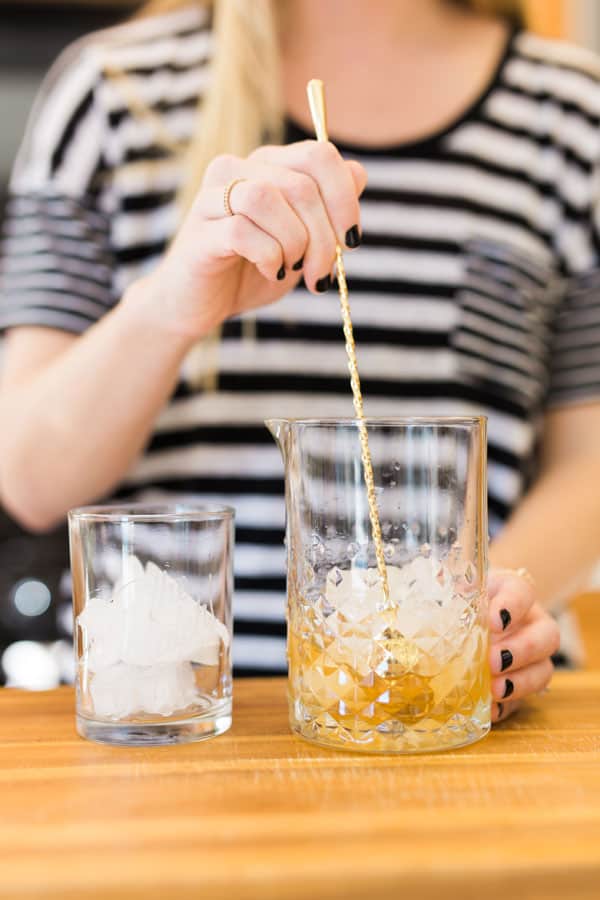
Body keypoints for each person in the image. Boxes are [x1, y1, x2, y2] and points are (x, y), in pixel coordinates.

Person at [6, 0, 600, 719]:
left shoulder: (572, 113)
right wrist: (171, 306)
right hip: (172, 726)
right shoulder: (110, 95)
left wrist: (470, 617)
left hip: (468, 715)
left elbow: (587, 463)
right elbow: (29, 475)